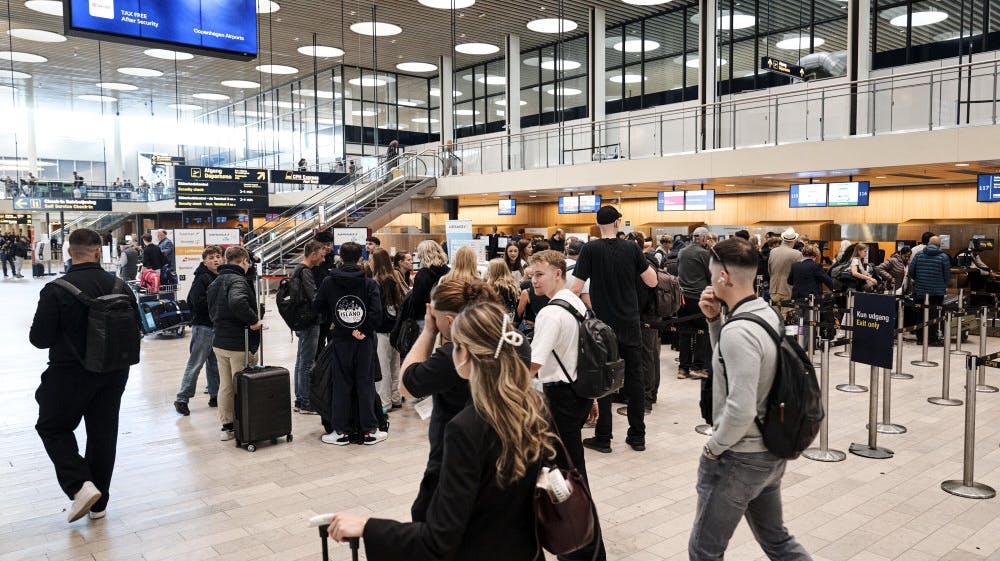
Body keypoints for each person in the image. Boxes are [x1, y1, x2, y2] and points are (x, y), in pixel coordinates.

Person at [325, 301, 553, 561]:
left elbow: (439, 539)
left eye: (456, 346)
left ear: (466, 355)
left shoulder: (465, 429)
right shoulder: (535, 407)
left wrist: (367, 527)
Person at [689, 237, 812, 561]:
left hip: (740, 458)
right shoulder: (764, 313)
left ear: (723, 276)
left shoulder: (739, 330)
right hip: (770, 450)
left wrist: (713, 448)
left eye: (711, 272)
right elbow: (731, 362)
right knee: (777, 540)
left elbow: (740, 408)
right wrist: (714, 321)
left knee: (704, 550)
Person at [30, 228, 140, 523]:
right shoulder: (120, 285)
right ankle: (99, 505)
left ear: (69, 252)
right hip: (114, 372)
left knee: (52, 427)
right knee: (103, 434)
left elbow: (39, 339)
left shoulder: (56, 290)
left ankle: (80, 485)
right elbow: (137, 326)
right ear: (98, 251)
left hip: (69, 373)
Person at [398, 279, 502, 522]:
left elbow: (406, 385)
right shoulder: (512, 341)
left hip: (452, 464)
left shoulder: (456, 357)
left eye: (435, 317)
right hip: (498, 462)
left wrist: (429, 331)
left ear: (451, 321)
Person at [528, 249, 607, 561]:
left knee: (566, 479)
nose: (534, 281)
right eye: (532, 275)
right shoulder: (575, 303)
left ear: (557, 273)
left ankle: (580, 545)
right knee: (573, 473)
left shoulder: (550, 313)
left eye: (540, 274)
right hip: (578, 393)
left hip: (560, 399)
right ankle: (583, 542)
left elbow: (533, 364)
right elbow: (585, 352)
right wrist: (592, 396)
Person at [571, 206, 657, 453]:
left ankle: (603, 437)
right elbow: (652, 281)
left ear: (598, 224)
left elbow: (575, 288)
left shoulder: (590, 249)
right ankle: (637, 436)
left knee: (604, 379)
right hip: (630, 323)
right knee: (635, 380)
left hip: (602, 328)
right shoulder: (631, 248)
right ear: (618, 222)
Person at [313, 242, 385, 445]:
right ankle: (369, 431)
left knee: (341, 385)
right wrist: (362, 331)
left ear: (341, 258)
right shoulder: (369, 284)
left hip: (340, 339)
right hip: (363, 341)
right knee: (365, 383)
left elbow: (318, 306)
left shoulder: (328, 282)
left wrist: (337, 323)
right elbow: (376, 314)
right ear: (360, 258)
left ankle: (341, 432)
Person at [207, 246, 262, 441]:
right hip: (239, 342)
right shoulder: (238, 280)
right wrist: (253, 321)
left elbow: (211, 309)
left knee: (225, 385)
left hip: (219, 340)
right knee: (243, 385)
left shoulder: (216, 281)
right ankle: (246, 424)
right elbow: (238, 302)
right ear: (244, 261)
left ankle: (228, 425)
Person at [173, 246, 224, 416]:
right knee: (195, 363)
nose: (215, 260)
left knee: (214, 363)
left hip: (215, 326)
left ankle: (215, 395)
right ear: (204, 262)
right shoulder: (202, 278)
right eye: (211, 258)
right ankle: (182, 399)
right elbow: (195, 301)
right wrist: (216, 304)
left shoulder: (218, 276)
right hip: (203, 327)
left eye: (218, 256)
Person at [292, 241, 326, 415]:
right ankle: (306, 401)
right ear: (313, 255)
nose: (323, 259)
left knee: (301, 360)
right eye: (321, 255)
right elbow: (314, 297)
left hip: (301, 320)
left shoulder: (298, 269)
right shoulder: (305, 272)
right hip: (309, 321)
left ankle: (300, 399)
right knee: (307, 362)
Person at [370, 247, 405, 410]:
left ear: (377, 262)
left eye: (371, 259)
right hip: (395, 328)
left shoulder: (376, 282)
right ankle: (396, 398)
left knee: (383, 367)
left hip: (382, 330)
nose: (369, 262)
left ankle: (384, 403)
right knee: (394, 366)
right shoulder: (394, 278)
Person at [677, 227, 713, 380]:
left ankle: (683, 368)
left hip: (683, 298)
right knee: (702, 333)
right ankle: (697, 367)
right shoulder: (704, 254)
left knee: (685, 333)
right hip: (699, 298)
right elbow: (710, 275)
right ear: (703, 238)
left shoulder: (682, 252)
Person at [909, 235, 951, 347]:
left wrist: (918, 280)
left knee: (920, 315)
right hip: (937, 292)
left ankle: (920, 339)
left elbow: (911, 272)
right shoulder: (944, 257)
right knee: (934, 315)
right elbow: (947, 276)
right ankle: (932, 339)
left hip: (920, 290)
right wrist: (942, 284)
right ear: (939, 245)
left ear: (928, 244)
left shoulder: (919, 255)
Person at [788, 245, 838, 340]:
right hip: (811, 299)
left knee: (800, 321)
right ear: (815, 255)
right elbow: (827, 280)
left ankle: (800, 340)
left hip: (797, 298)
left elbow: (789, 281)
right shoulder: (816, 266)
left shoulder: (795, 265)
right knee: (809, 322)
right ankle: (806, 344)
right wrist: (833, 289)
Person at [407, 240, 450, 324]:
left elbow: (417, 301)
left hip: (425, 317)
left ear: (423, 255)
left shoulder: (422, 274)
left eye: (419, 254)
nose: (418, 257)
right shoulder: (449, 272)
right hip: (444, 317)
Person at [767, 228, 802, 307]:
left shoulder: (773, 251)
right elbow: (799, 275)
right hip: (788, 290)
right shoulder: (797, 254)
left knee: (775, 313)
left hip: (773, 289)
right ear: (794, 240)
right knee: (787, 313)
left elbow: (769, 270)